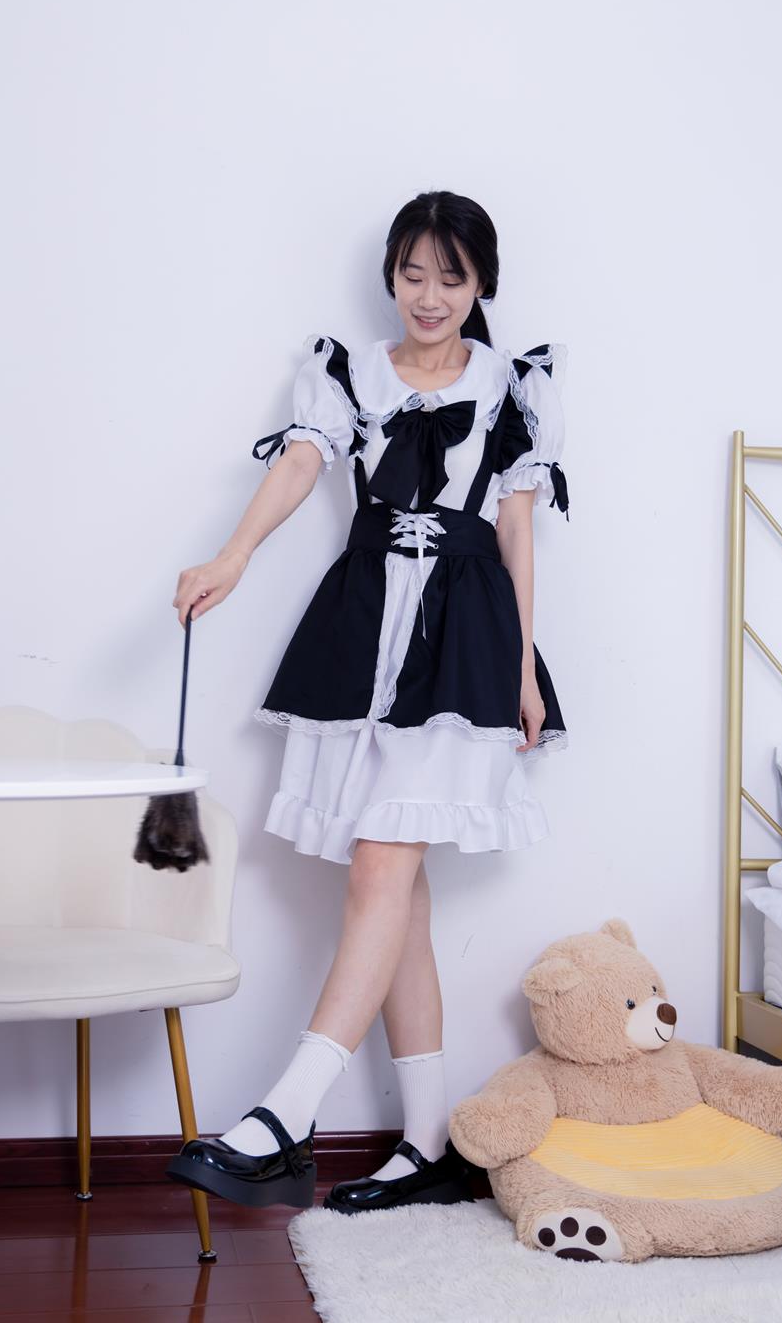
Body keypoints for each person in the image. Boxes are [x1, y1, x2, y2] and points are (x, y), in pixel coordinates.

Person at [166, 190, 569, 1215]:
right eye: (411, 273)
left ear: (482, 285)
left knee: (383, 868)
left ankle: (286, 1114)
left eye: (451, 278)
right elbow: (304, 461)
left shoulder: (512, 387)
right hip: (361, 632)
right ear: (391, 274)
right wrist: (232, 555)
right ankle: (429, 1142)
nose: (428, 296)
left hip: (463, 642)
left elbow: (516, 530)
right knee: (400, 888)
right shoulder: (350, 370)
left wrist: (523, 669)